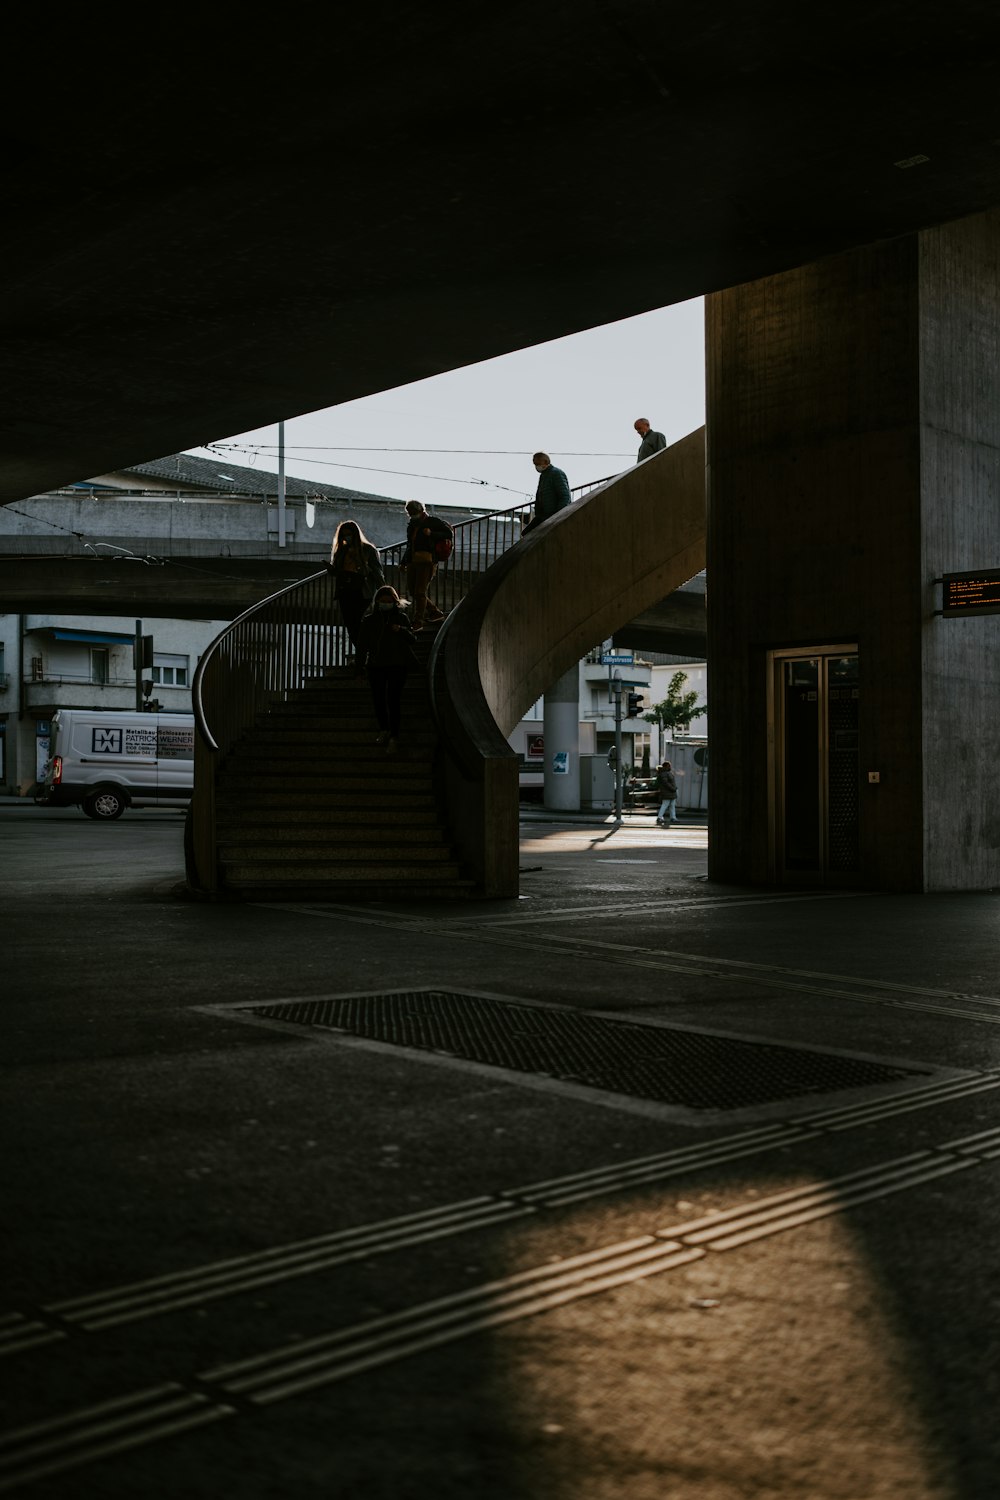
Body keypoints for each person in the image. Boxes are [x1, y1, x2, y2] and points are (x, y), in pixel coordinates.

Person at [354, 584, 420, 753]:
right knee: (379, 699)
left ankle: (394, 735)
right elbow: (362, 646)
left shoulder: (401, 618)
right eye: (382, 601)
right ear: (377, 602)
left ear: (394, 601)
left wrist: (402, 630)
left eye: (388, 601)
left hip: (397, 664)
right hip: (376, 665)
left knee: (393, 699)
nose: (385, 604)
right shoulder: (369, 620)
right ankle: (385, 729)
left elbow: (412, 639)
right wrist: (359, 668)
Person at [327, 520, 385, 651]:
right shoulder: (341, 550)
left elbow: (376, 571)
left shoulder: (368, 549)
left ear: (355, 534)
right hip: (345, 589)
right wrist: (332, 570)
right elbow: (338, 570)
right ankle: (362, 651)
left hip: (361, 589)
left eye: (349, 534)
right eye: (344, 535)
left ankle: (366, 651)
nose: (347, 538)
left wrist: (383, 589)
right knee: (350, 624)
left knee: (357, 621)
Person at [403, 500, 447, 631]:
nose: (412, 515)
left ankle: (418, 621)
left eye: (414, 512)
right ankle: (435, 612)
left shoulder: (432, 522)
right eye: (410, 513)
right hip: (413, 561)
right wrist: (404, 562)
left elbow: (448, 534)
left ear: (421, 510)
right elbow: (410, 544)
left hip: (427, 561)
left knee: (419, 591)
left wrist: (431, 534)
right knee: (413, 591)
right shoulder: (411, 525)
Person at [522, 452, 572, 534]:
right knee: (526, 534)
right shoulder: (544, 475)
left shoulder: (556, 473)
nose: (536, 466)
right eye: (535, 464)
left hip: (552, 514)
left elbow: (565, 496)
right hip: (543, 515)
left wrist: (558, 515)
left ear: (545, 461)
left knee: (529, 534)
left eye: (537, 463)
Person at [655, 759, 678, 826]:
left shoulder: (664, 773)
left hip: (669, 792)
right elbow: (666, 783)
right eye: (669, 766)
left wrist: (673, 788)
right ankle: (661, 817)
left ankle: (672, 817)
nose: (670, 767)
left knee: (670, 805)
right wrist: (673, 788)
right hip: (668, 791)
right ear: (666, 766)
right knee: (666, 804)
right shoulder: (665, 773)